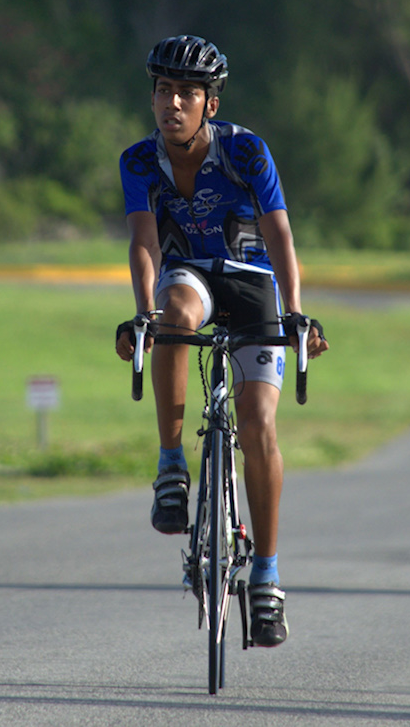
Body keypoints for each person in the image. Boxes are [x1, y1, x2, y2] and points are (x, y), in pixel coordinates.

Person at [114, 35, 328, 649]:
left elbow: (280, 234)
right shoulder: (138, 161)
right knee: (173, 310)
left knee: (260, 424)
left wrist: (296, 314)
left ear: (210, 103)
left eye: (187, 93)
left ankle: (266, 576)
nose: (172, 103)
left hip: (252, 280)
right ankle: (172, 467)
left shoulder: (247, 151)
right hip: (191, 275)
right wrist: (140, 314)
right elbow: (144, 242)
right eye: (162, 90)